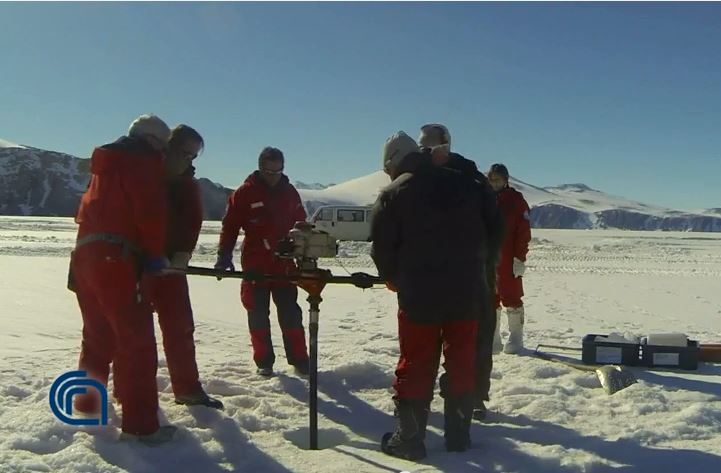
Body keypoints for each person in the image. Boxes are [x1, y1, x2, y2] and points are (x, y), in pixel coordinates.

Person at [372, 131, 490, 460]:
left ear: (393, 161)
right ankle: (458, 437)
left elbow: (382, 247)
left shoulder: (395, 192)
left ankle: (409, 439)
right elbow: (494, 227)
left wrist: (393, 277)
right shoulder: (467, 183)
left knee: (416, 362)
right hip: (466, 293)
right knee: (462, 360)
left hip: (419, 296)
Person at [71, 114, 176, 445]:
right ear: (152, 141)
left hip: (84, 257)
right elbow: (150, 211)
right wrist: (156, 253)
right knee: (136, 342)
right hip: (117, 261)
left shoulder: (106, 166)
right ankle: (141, 427)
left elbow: (83, 213)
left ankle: (87, 406)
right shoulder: (141, 161)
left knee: (97, 336)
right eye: (163, 144)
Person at [418, 123, 504, 421]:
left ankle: (474, 397)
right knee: (429, 342)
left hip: (473, 279)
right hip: (432, 279)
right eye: (424, 147)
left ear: (446, 146)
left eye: (433, 146)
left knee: (476, 342)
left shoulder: (473, 181)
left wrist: (483, 268)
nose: (429, 152)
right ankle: (420, 400)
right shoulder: (419, 179)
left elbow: (495, 229)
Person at [139, 124, 223, 409]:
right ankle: (135, 393)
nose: (189, 161)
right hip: (139, 267)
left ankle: (187, 388)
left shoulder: (188, 184)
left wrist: (183, 254)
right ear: (169, 148)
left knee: (180, 328)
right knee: (136, 334)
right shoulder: (144, 176)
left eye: (194, 157)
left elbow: (192, 222)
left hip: (172, 269)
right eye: (186, 153)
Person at [215, 147, 309, 377]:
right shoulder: (245, 193)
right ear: (260, 168)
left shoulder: (289, 193)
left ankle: (299, 359)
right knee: (257, 313)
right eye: (269, 170)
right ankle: (264, 361)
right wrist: (223, 255)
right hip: (255, 262)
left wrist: (299, 244)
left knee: (290, 313)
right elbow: (230, 227)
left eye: (278, 170)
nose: (273, 175)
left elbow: (301, 223)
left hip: (284, 264)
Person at [487, 163, 531, 354]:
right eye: (492, 179)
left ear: (506, 180)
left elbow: (523, 231)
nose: (494, 183)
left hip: (508, 258)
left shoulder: (515, 201)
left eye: (498, 179)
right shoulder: (484, 198)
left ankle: (516, 337)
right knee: (489, 298)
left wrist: (519, 258)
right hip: (487, 259)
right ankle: (493, 337)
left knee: (511, 297)